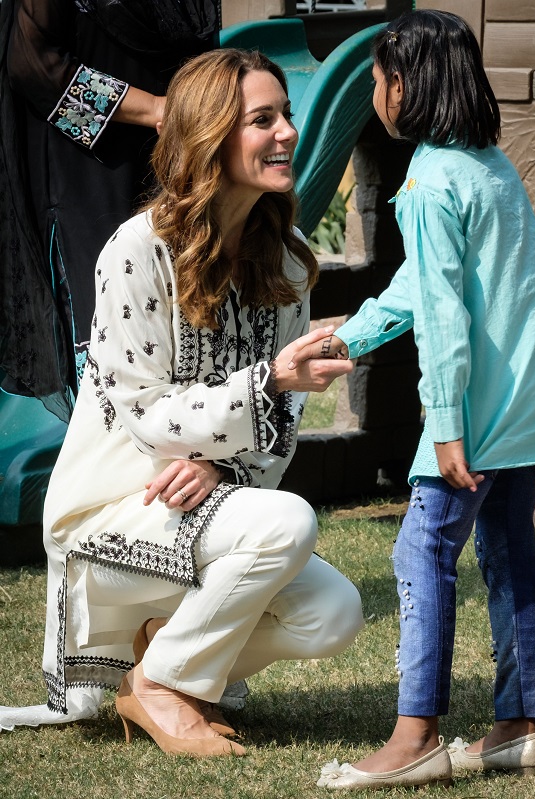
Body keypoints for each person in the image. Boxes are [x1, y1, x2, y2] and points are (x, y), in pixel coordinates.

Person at [0, 48, 364, 755]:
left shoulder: (286, 258)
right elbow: (145, 419)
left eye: (285, 115)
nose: (288, 131)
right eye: (264, 119)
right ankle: (169, 687)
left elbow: (282, 429)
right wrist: (269, 383)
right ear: (211, 135)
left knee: (334, 611)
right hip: (108, 518)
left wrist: (224, 469)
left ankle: (159, 667)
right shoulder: (136, 250)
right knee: (286, 523)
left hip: (207, 511)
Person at [289, 10, 535, 790]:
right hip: (534, 390)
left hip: (480, 405)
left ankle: (415, 734)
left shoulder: (426, 178)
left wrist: (446, 425)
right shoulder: (489, 164)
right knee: (510, 551)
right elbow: (425, 286)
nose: (377, 91)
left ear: (407, 85)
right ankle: (518, 726)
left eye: (382, 76)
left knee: (422, 552)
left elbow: (447, 314)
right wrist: (350, 336)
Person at [1, 0, 221, 417]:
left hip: (181, 162)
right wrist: (156, 108)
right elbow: (32, 62)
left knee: (186, 323)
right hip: (90, 174)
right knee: (110, 336)